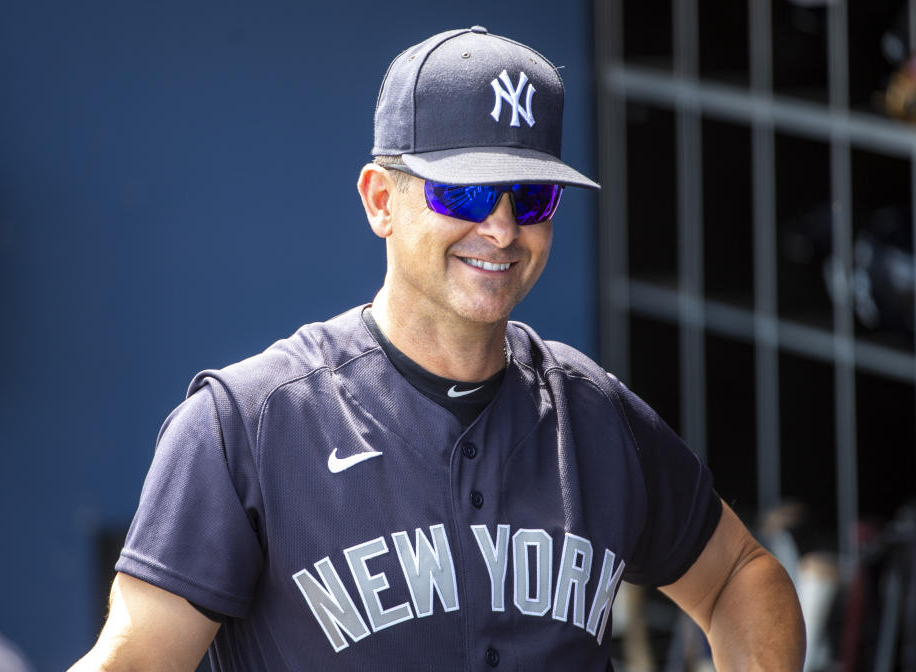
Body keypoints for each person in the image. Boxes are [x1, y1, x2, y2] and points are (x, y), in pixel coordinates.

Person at [69, 26, 805, 672]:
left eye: (531, 196)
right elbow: (134, 660)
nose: (502, 229)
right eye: (466, 194)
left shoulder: (595, 416)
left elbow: (740, 573)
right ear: (381, 200)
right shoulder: (249, 425)